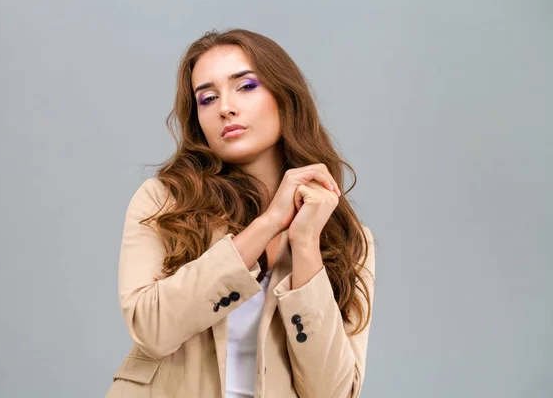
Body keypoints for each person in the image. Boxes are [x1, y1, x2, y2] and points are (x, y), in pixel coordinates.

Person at [105, 28, 376, 398]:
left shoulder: (346, 237)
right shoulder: (166, 201)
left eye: (245, 86)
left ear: (285, 96)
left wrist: (305, 243)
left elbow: (333, 392)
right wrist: (266, 226)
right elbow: (151, 329)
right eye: (207, 97)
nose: (225, 107)